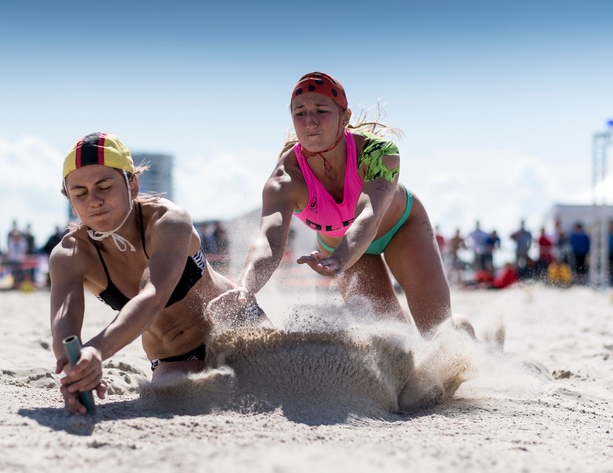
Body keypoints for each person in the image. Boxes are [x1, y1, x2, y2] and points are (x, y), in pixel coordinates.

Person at [208, 72, 471, 337]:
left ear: (345, 117)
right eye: (300, 113)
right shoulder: (284, 180)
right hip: (341, 252)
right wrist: (245, 287)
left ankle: (470, 337)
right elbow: (269, 240)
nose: (310, 121)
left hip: (399, 228)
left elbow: (370, 214)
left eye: (321, 110)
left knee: (438, 333)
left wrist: (338, 260)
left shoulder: (378, 152)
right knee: (393, 339)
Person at [49, 132, 267, 415]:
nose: (94, 201)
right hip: (174, 356)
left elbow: (153, 297)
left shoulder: (168, 220)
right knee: (176, 397)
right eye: (79, 194)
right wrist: (76, 369)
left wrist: (98, 350)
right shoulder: (69, 255)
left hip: (237, 325)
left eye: (104, 187)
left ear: (133, 185)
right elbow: (63, 327)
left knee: (287, 379)